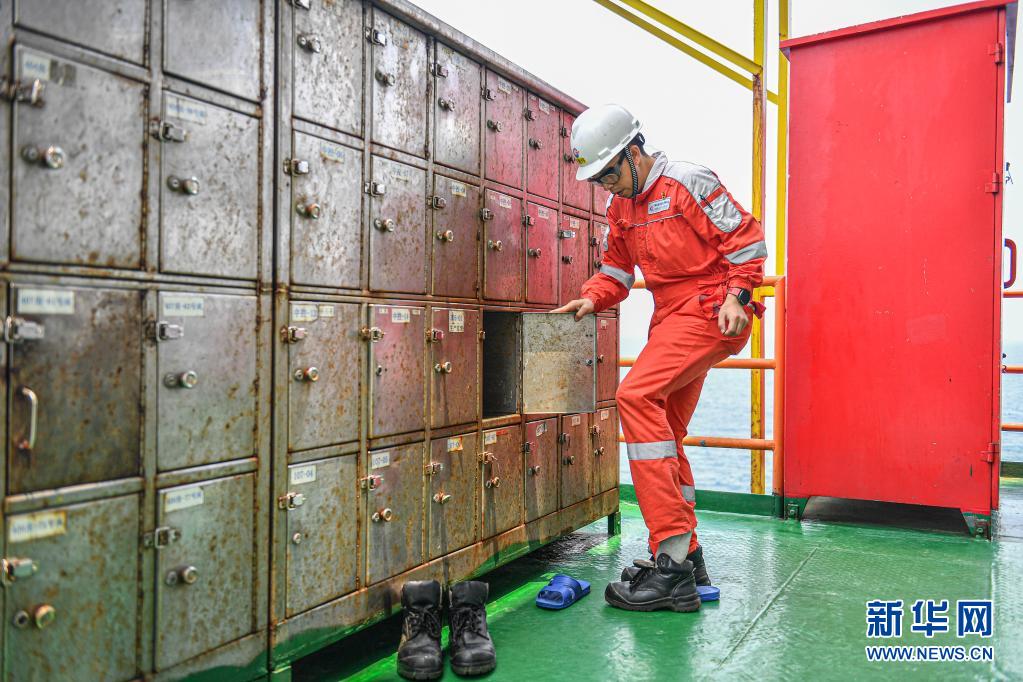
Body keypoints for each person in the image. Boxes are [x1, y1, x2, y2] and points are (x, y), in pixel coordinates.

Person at [553, 103, 767, 612]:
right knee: (664, 429)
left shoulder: (687, 182)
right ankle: (687, 557)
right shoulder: (620, 210)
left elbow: (746, 239)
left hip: (712, 309)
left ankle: (668, 561)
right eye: (598, 180)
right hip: (670, 317)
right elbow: (617, 272)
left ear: (633, 152)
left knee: (634, 395)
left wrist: (739, 295)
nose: (607, 186)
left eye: (609, 173)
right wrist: (592, 297)